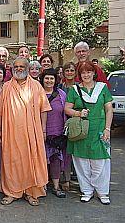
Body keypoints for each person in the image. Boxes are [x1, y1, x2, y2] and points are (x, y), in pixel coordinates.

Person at [0, 57, 51, 206]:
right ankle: (12, 192)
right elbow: (0, 111)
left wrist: (43, 129)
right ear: (12, 68)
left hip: (32, 131)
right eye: (16, 66)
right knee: (12, 161)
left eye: (22, 66)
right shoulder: (6, 87)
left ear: (27, 68)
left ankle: (31, 192)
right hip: (11, 131)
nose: (19, 68)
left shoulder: (36, 86)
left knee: (31, 161)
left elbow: (43, 110)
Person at [64, 62, 113, 204]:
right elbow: (67, 109)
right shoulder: (74, 90)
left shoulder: (102, 88)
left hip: (99, 130)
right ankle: (87, 191)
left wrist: (107, 128)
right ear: (80, 75)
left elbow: (109, 109)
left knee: (100, 163)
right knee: (81, 162)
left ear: (94, 73)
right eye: (83, 73)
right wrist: (78, 113)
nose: (86, 75)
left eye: (89, 72)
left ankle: (102, 192)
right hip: (81, 131)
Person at [40, 69, 69, 198]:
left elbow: (66, 111)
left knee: (56, 159)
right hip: (40, 130)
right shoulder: (37, 93)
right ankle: (42, 185)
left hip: (57, 131)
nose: (49, 81)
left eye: (52, 78)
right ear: (42, 79)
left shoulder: (61, 94)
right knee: (41, 160)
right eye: (46, 78)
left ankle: (56, 187)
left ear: (55, 80)